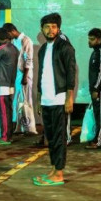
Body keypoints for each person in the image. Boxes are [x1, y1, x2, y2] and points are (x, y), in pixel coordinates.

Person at [34, 13, 76, 186]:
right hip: (46, 99)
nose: (50, 30)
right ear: (42, 29)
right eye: (47, 26)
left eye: (53, 26)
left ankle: (59, 174)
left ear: (58, 28)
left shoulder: (65, 47)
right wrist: (38, 98)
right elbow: (41, 75)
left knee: (59, 138)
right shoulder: (43, 49)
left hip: (59, 99)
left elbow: (71, 73)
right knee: (50, 138)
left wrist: (69, 98)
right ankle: (53, 169)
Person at [0, 27, 19, 146]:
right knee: (8, 111)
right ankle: (8, 136)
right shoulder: (14, 48)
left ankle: (5, 137)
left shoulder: (1, 48)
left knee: (3, 112)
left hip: (1, 83)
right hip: (10, 82)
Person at [3, 22, 34, 135]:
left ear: (12, 31)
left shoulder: (26, 40)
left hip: (24, 74)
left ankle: (28, 127)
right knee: (16, 101)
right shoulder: (13, 41)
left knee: (25, 100)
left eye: (8, 34)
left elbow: (29, 60)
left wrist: (25, 76)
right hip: (16, 74)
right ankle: (17, 126)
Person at [86, 28, 101, 149]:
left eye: (92, 39)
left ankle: (100, 141)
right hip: (95, 89)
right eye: (89, 39)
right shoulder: (95, 52)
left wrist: (96, 89)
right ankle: (97, 138)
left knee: (100, 115)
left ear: (99, 39)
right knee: (96, 114)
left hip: (100, 90)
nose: (89, 41)